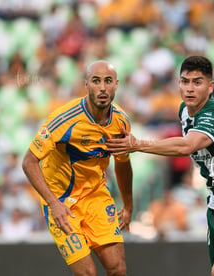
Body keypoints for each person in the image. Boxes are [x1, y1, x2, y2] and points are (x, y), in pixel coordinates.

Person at [107, 55, 214, 276]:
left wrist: (137, 144)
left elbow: (187, 146)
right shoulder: (185, 111)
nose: (190, 88)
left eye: (197, 82)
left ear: (210, 87)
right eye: (185, 81)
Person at [22, 60, 133, 276]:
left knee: (118, 269)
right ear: (86, 85)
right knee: (87, 274)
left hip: (96, 197)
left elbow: (123, 163)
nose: (102, 87)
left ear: (116, 85)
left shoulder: (121, 122)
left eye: (108, 81)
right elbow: (28, 162)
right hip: (62, 203)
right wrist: (53, 203)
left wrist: (128, 205)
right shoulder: (64, 119)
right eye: (96, 81)